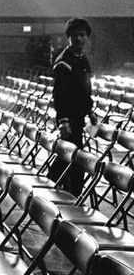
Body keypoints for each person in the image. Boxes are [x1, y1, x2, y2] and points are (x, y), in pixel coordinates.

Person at [50, 17, 98, 196]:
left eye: (82, 35)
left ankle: (66, 192)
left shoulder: (83, 60)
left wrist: (89, 110)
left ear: (87, 37)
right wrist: (63, 121)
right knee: (71, 158)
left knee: (70, 157)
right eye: (74, 35)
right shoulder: (64, 62)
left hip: (79, 118)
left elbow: (84, 90)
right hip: (68, 119)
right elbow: (59, 95)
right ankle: (64, 194)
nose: (78, 38)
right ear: (68, 38)